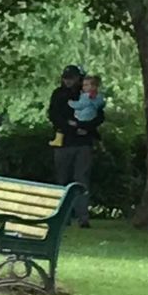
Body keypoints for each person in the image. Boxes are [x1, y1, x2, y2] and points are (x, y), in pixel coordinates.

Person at [47, 63, 100, 225]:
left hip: (83, 142)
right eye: (66, 78)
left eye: (72, 78)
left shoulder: (87, 95)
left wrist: (84, 127)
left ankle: (83, 217)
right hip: (63, 142)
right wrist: (70, 127)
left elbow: (98, 116)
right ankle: (63, 217)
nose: (69, 81)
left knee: (81, 179)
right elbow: (54, 115)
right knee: (62, 179)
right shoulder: (58, 94)